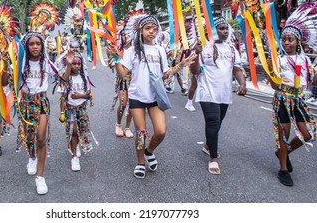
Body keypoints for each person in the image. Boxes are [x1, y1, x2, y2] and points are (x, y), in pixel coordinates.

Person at [109, 15, 196, 179]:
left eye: (154, 28)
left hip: (155, 96)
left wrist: (181, 65)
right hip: (137, 97)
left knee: (161, 131)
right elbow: (122, 74)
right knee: (141, 133)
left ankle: (149, 151)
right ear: (140, 31)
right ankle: (140, 162)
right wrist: (116, 59)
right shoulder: (132, 50)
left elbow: (165, 74)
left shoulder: (160, 50)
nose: (151, 31)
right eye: (148, 28)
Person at [266, 2, 317, 186]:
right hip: (282, 99)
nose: (286, 42)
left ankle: (284, 151)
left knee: (307, 134)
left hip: (299, 100)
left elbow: (313, 81)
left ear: (298, 42)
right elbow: (273, 85)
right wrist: (271, 70)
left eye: (290, 39)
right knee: (284, 132)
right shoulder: (278, 60)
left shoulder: (304, 60)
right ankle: (283, 169)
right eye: (284, 39)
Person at [2, 32, 60, 195]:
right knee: (29, 138)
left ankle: (40, 177)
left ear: (42, 46)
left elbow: (63, 78)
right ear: (26, 46)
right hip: (26, 104)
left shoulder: (47, 63)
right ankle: (32, 157)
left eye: (38, 44)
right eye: (31, 44)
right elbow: (4, 82)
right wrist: (6, 62)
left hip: (42, 103)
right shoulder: (19, 64)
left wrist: (69, 65)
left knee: (41, 138)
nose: (35, 46)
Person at [190, 16, 247, 175]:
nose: (224, 31)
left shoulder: (231, 49)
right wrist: (196, 53)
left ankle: (208, 145)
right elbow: (195, 71)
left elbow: (236, 69)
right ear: (212, 30)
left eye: (226, 28)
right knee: (213, 121)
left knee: (218, 122)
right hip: (207, 91)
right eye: (221, 28)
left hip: (224, 93)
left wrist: (242, 84)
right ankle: (213, 158)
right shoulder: (204, 47)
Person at [60, 49, 94, 171]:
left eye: (78, 63)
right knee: (73, 131)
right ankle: (74, 157)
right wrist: (62, 112)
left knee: (81, 130)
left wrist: (80, 96)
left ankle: (76, 146)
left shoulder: (84, 78)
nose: (76, 66)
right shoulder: (66, 78)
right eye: (73, 63)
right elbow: (62, 96)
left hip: (82, 109)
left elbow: (89, 95)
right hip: (70, 109)